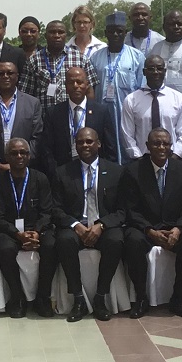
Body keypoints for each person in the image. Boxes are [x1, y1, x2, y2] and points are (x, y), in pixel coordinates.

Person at [119, 128, 182, 318]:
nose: (161, 147)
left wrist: (178, 229)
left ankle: (177, 297)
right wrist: (149, 230)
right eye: (156, 143)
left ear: (171, 146)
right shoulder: (133, 171)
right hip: (145, 228)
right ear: (147, 146)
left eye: (165, 144)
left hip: (174, 227)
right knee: (133, 241)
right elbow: (130, 208)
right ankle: (141, 298)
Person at [51, 127, 126, 321]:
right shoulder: (63, 172)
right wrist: (76, 225)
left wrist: (101, 225)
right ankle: (78, 300)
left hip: (103, 227)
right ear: (75, 145)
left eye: (89, 141)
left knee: (116, 240)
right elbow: (56, 209)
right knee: (64, 241)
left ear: (98, 144)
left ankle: (100, 298)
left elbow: (122, 210)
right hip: (76, 226)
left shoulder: (116, 171)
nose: (85, 145)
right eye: (80, 142)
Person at [0, 137, 58, 319]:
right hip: (11, 231)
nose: (19, 156)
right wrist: (17, 234)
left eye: (23, 153)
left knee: (51, 245)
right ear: (7, 157)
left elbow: (47, 211)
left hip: (37, 229)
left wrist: (36, 232)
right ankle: (17, 297)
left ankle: (43, 297)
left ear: (29, 156)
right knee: (4, 248)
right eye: (14, 153)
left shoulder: (40, 179)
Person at [87, 12, 146, 160]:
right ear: (105, 33)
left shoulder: (137, 57)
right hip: (103, 113)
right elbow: (91, 88)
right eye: (111, 31)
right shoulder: (95, 57)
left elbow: (142, 87)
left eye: (119, 31)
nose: (115, 34)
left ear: (125, 33)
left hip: (128, 112)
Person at [41, 66, 118, 180]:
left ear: (87, 85)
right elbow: (46, 148)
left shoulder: (101, 111)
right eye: (71, 82)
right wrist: (55, 174)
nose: (75, 86)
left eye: (79, 82)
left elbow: (110, 147)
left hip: (95, 173)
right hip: (64, 175)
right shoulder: (53, 113)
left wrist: (106, 174)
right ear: (66, 86)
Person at [0, 60, 44, 179]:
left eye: (10, 73)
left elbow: (37, 137)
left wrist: (20, 161)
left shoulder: (32, 103)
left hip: (24, 171)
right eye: (1, 73)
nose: (5, 76)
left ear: (17, 76)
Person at [120, 55, 182, 161]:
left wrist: (175, 157)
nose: (155, 72)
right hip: (142, 159)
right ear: (144, 72)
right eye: (151, 69)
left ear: (165, 71)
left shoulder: (178, 98)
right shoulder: (131, 100)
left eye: (159, 68)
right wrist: (139, 158)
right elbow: (127, 135)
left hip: (172, 157)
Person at [20, 18, 89, 113]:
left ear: (66, 35)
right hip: (44, 117)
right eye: (52, 32)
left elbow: (90, 90)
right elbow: (25, 94)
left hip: (73, 116)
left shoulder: (81, 58)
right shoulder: (34, 60)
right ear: (45, 35)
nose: (57, 36)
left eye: (60, 32)